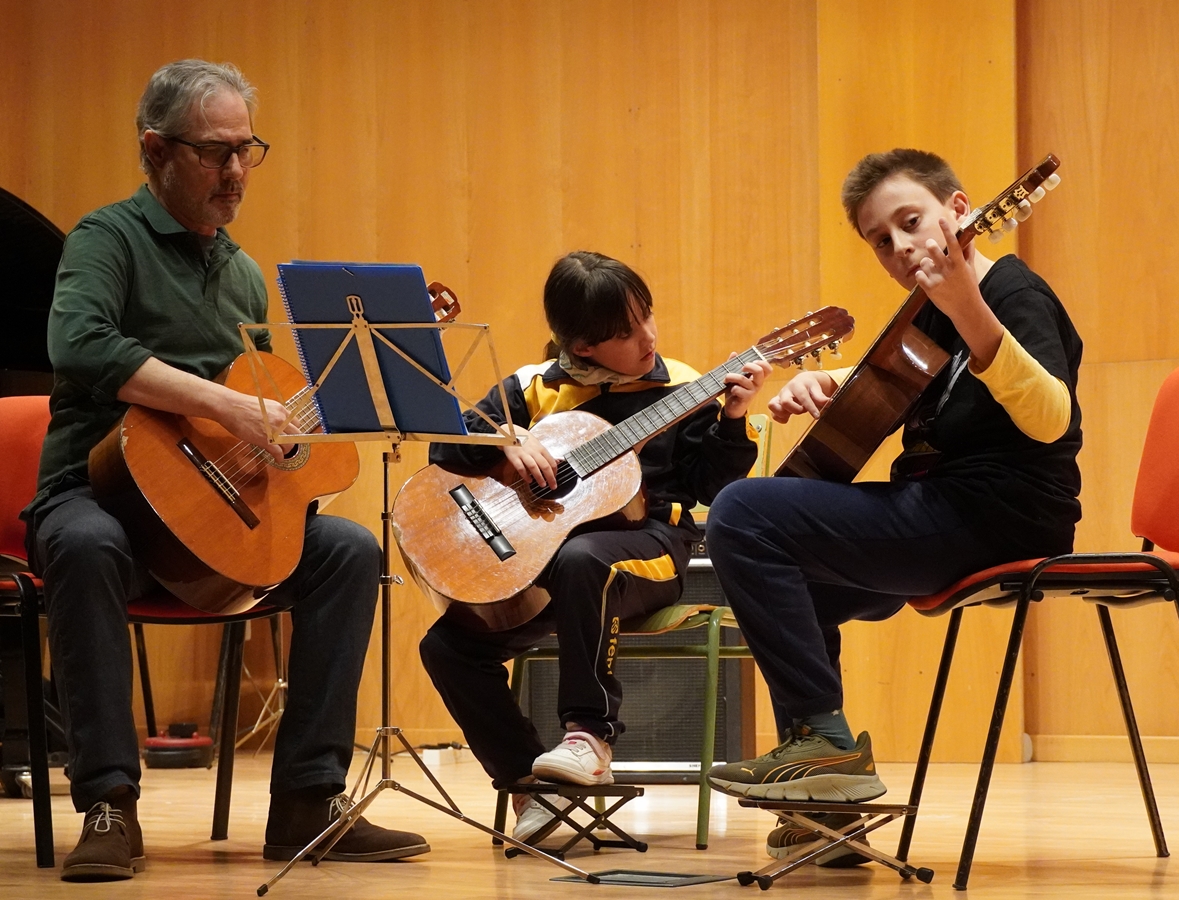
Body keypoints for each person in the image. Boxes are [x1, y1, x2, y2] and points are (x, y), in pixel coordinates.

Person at [22, 59, 429, 882]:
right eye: (216, 152)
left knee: (348, 553)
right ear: (156, 149)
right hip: (101, 496)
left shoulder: (242, 272)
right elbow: (79, 345)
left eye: (247, 149)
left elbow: (266, 404)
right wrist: (230, 407)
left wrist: (288, 435)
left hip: (216, 525)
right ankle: (108, 804)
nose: (237, 171)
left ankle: (306, 804)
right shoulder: (108, 239)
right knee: (85, 544)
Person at [703, 149, 1083, 864]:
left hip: (998, 513)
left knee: (743, 512)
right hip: (941, 507)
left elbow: (1051, 418)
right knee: (792, 576)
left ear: (961, 211)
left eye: (911, 222)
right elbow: (921, 378)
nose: (900, 247)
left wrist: (969, 306)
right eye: (881, 240)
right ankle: (827, 806)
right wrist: (832, 386)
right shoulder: (934, 316)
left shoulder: (1014, 294)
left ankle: (825, 745)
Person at [419, 250, 770, 843]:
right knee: (446, 647)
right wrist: (506, 444)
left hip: (653, 548)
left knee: (587, 560)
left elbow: (717, 486)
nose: (648, 338)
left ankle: (589, 735)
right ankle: (533, 792)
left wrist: (733, 418)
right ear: (581, 347)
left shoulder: (683, 387)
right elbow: (444, 447)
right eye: (625, 333)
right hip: (549, 567)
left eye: (647, 317)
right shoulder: (533, 390)